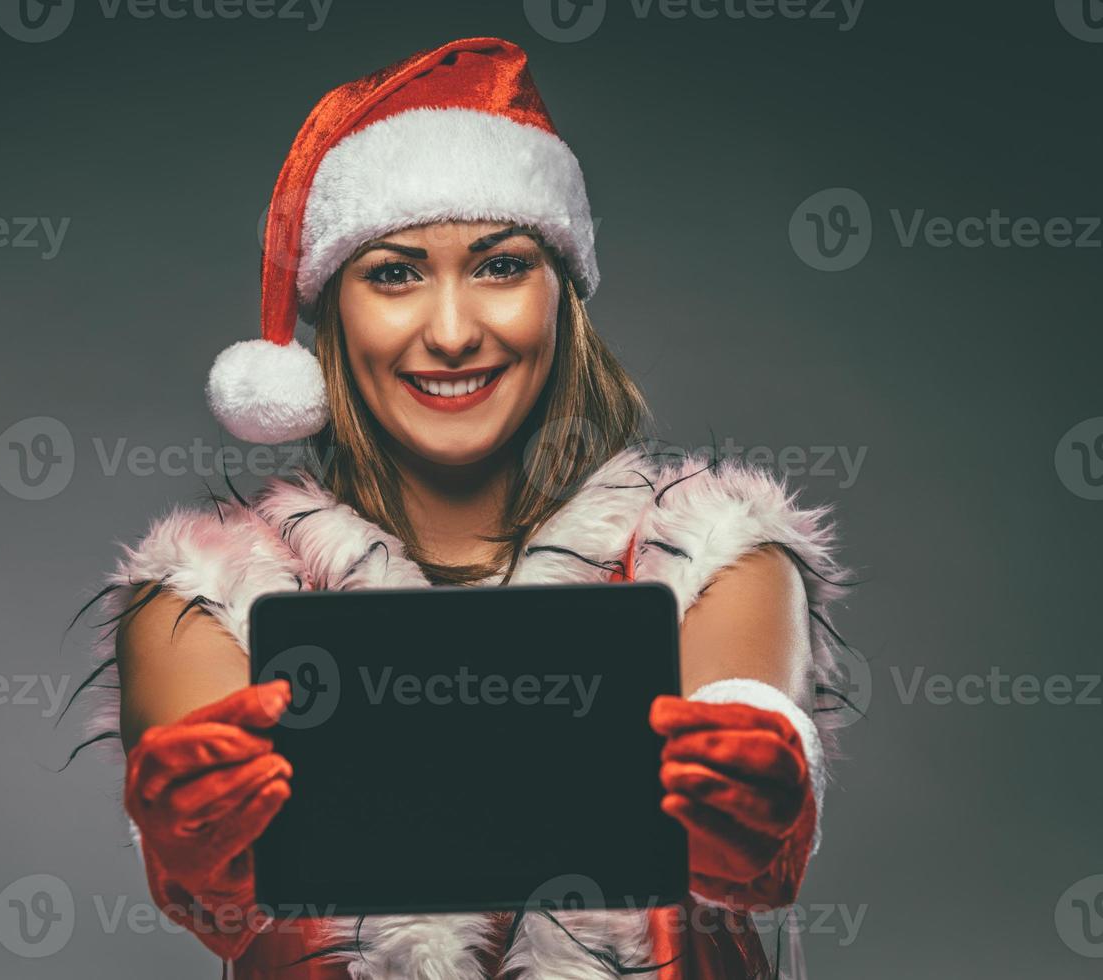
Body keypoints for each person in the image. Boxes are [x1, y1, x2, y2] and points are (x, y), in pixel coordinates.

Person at [78, 36, 853, 980]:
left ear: (561, 298)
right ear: (332, 315)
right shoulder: (204, 594)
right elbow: (217, 887)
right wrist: (195, 830)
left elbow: (748, 774)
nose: (452, 333)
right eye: (394, 273)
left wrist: (760, 784)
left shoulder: (713, 553)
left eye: (500, 266)